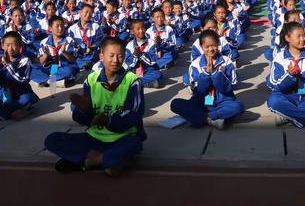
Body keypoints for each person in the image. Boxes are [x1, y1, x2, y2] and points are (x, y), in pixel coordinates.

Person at [44, 37, 146, 176]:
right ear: (101, 56)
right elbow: (85, 120)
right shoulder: (91, 80)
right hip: (94, 137)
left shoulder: (132, 80)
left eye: (120, 55)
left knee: (134, 144)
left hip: (122, 137)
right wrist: (83, 110)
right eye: (111, 55)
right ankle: (107, 160)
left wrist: (108, 120)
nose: (116, 60)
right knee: (52, 140)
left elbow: (134, 115)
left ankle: (87, 161)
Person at [171, 30, 244, 129]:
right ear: (201, 47)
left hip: (223, 101)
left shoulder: (226, 61)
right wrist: (205, 74)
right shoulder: (195, 64)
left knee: (238, 107)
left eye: (213, 45)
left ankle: (202, 117)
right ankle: (211, 119)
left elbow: (229, 88)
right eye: (207, 47)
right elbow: (198, 91)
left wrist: (215, 73)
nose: (211, 49)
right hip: (201, 102)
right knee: (175, 104)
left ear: (218, 44)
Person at [0, 31, 39, 120]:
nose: (10, 48)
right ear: (2, 45)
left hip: (20, 91)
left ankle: (8, 112)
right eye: (7, 45)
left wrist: (8, 64)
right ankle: (14, 112)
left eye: (14, 45)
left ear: (20, 46)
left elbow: (22, 79)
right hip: (4, 91)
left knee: (27, 98)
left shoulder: (24, 60)